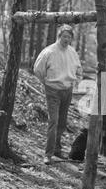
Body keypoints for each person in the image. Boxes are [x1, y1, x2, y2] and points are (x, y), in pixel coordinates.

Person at [34, 24, 82, 164]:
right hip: (53, 89)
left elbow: (79, 69)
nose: (67, 39)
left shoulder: (72, 52)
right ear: (59, 36)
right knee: (53, 121)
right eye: (64, 36)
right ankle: (48, 154)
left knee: (61, 122)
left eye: (69, 37)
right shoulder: (49, 51)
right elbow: (38, 69)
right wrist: (46, 82)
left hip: (67, 90)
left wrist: (74, 81)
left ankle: (57, 149)